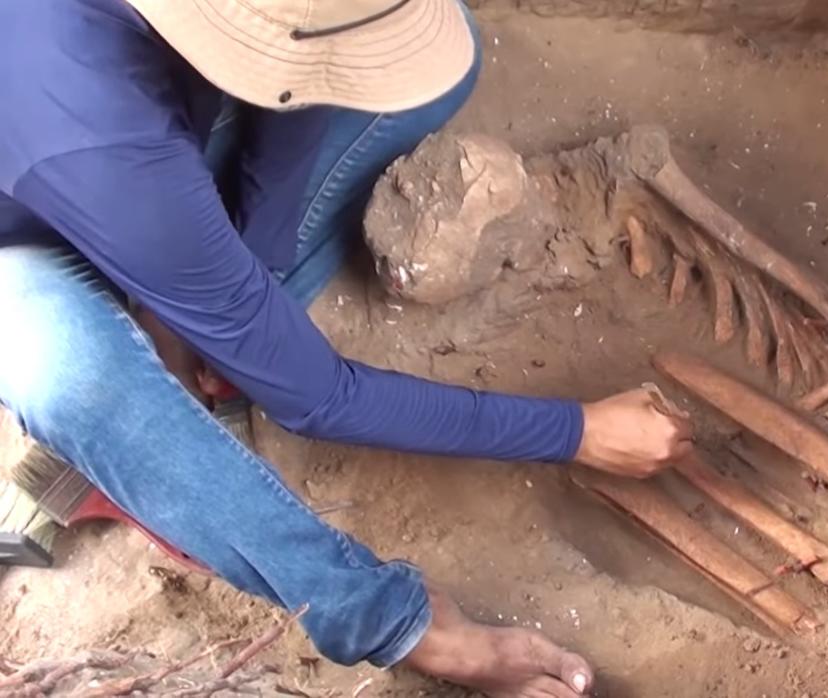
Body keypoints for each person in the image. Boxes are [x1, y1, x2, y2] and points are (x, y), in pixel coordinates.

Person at [0, 0, 693, 695]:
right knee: (74, 378)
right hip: (27, 230)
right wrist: (575, 431)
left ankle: (180, 317)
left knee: (430, 76)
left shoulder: (254, 21)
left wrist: (248, 268)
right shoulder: (92, 131)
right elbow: (318, 397)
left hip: (123, 133)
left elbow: (306, 55)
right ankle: (400, 624)